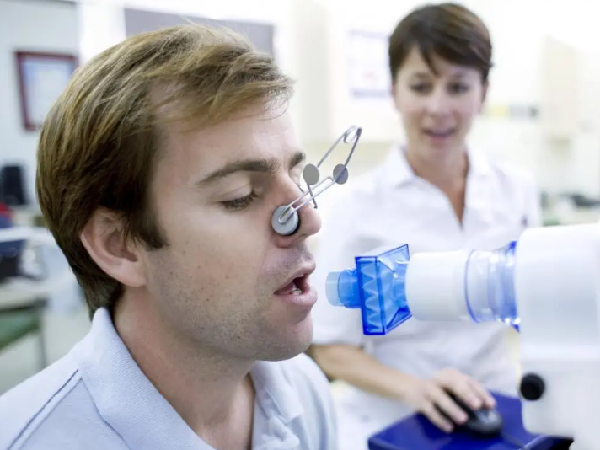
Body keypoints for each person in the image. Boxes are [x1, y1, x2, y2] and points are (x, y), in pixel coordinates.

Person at [0, 25, 337, 450]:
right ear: (119, 245)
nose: (308, 219)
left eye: (293, 175)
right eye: (241, 196)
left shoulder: (303, 392)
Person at [309, 3, 541, 449]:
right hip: (398, 421)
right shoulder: (357, 207)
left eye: (458, 86)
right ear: (394, 90)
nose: (438, 108)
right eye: (420, 85)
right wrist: (415, 389)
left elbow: (535, 306)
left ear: (483, 92)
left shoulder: (516, 190)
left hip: (499, 412)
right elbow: (333, 349)